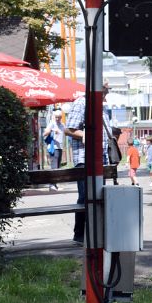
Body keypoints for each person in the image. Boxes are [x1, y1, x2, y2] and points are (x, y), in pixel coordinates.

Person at [65, 81, 112, 247]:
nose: (106, 95)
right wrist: (85, 134)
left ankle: (96, 231)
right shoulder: (81, 103)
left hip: (102, 158)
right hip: (85, 158)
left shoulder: (103, 107)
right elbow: (69, 129)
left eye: (107, 92)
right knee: (86, 196)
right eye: (104, 91)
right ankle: (80, 234)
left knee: (99, 196)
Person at [43, 109, 66, 191]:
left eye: (59, 117)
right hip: (53, 147)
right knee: (54, 166)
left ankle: (55, 184)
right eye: (56, 117)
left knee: (58, 167)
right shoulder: (52, 124)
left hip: (60, 147)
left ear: (61, 117)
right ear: (54, 117)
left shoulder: (62, 125)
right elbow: (44, 134)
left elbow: (65, 133)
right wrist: (52, 130)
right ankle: (51, 185)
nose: (57, 119)